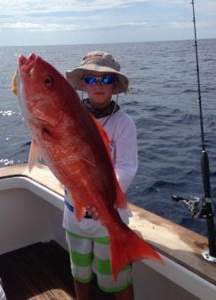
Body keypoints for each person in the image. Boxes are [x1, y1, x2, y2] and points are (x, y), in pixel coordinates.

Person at [63, 50, 138, 300]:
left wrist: (100, 198)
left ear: (115, 85)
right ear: (83, 83)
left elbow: (126, 167)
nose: (98, 85)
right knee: (79, 272)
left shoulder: (123, 123)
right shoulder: (67, 119)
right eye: (91, 79)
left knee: (118, 278)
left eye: (105, 79)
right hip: (74, 215)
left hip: (110, 216)